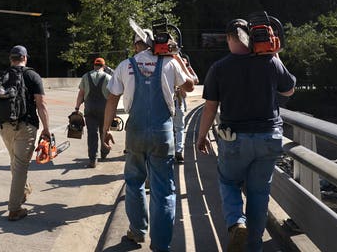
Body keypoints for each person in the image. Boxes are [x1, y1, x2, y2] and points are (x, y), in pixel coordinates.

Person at [196, 19, 296, 252]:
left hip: (234, 139)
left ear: (230, 38)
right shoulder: (271, 62)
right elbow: (289, 89)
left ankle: (236, 223)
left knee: (228, 181)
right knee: (259, 193)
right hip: (269, 138)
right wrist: (275, 54)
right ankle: (253, 247)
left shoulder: (219, 68)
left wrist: (202, 137)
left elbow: (210, 107)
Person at [102, 28, 195, 251]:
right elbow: (190, 86)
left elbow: (112, 99)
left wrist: (106, 130)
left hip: (135, 131)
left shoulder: (126, 66)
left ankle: (137, 231)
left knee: (134, 183)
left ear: (136, 45)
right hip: (163, 133)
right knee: (163, 188)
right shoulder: (169, 63)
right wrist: (176, 56)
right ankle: (161, 244)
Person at [0, 45, 50, 221]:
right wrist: (46, 129)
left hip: (4, 127)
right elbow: (41, 105)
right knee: (20, 166)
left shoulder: (0, 77)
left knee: (14, 162)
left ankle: (24, 189)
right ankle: (14, 208)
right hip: (26, 127)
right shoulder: (32, 75)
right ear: (25, 58)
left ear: (10, 59)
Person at [74, 57, 112, 168]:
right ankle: (104, 152)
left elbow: (81, 94)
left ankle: (93, 159)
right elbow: (111, 98)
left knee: (92, 134)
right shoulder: (108, 77)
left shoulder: (86, 77)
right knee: (104, 131)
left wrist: (77, 108)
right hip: (104, 110)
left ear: (94, 66)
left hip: (90, 109)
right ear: (104, 67)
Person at [173, 56, 199, 163]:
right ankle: (178, 150)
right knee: (178, 128)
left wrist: (187, 66)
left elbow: (196, 80)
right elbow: (194, 80)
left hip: (176, 101)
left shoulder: (167, 66)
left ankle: (175, 151)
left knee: (176, 128)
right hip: (176, 101)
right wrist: (185, 67)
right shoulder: (180, 71)